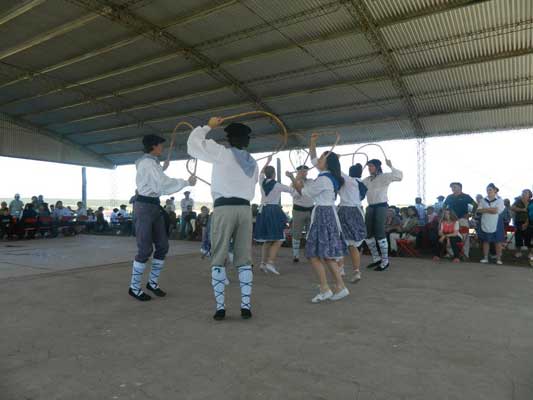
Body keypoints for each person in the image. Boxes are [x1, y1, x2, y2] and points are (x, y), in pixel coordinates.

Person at [187, 117, 258, 321]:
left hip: (224, 208)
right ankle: (245, 307)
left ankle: (220, 308)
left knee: (219, 257)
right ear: (246, 141)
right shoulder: (252, 163)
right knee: (244, 259)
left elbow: (193, 144)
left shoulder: (220, 153)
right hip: (245, 210)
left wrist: (208, 126)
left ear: (228, 139)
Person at [128, 133, 196, 302]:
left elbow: (154, 177)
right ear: (153, 146)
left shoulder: (149, 163)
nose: (162, 147)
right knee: (144, 249)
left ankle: (152, 283)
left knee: (163, 246)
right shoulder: (147, 163)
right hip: (144, 208)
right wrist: (186, 182)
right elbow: (162, 184)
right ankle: (134, 287)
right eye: (160, 145)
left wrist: (161, 167)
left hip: (152, 206)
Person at [287, 133, 348, 303]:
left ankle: (325, 288)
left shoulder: (323, 180)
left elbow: (305, 192)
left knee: (313, 254)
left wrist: (297, 179)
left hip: (323, 215)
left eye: (321, 158)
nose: (316, 162)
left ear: (326, 162)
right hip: (326, 214)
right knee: (327, 255)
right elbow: (313, 159)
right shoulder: (329, 177)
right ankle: (340, 286)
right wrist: (312, 143)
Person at [363, 158, 403, 271]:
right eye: (368, 166)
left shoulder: (385, 176)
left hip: (381, 206)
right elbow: (357, 187)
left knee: (380, 233)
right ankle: (376, 259)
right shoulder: (366, 180)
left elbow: (399, 177)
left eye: (371, 166)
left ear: (377, 167)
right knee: (368, 234)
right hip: (370, 207)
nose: (369, 168)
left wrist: (391, 166)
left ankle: (385, 261)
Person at [253, 158, 291, 275]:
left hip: (263, 211)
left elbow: (261, 173)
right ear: (274, 174)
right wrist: (294, 179)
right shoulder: (278, 185)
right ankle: (270, 262)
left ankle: (263, 263)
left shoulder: (261, 182)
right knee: (280, 238)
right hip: (274, 211)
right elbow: (291, 190)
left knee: (267, 240)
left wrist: (267, 161)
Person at [337, 163, 367, 283]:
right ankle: (356, 271)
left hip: (344, 211)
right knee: (353, 245)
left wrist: (337, 160)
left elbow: (336, 170)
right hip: (358, 212)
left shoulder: (348, 181)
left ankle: (341, 269)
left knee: (340, 241)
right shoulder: (362, 185)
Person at [444, 183, 477, 258]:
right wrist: (445, 215)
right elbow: (444, 206)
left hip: (463, 219)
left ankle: (465, 254)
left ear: (460, 188)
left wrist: (471, 214)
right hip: (451, 219)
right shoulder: (449, 197)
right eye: (452, 187)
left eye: (454, 187)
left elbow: (475, 205)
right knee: (450, 235)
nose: (452, 188)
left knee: (465, 236)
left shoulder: (466, 196)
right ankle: (451, 253)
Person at [290, 165, 314, 263]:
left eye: (305, 171)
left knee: (311, 233)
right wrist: (297, 182)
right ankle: (296, 255)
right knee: (296, 233)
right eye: (301, 171)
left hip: (311, 209)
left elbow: (312, 193)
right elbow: (296, 195)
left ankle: (310, 253)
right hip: (298, 210)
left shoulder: (311, 182)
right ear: (298, 172)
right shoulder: (292, 184)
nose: (304, 173)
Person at [478, 183, 505, 265]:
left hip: (496, 222)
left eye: (490, 189)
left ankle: (498, 258)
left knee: (498, 242)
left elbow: (496, 211)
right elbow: (479, 210)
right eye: (487, 190)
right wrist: (490, 209)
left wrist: (485, 209)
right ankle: (485, 258)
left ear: (495, 190)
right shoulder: (483, 200)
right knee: (486, 241)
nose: (488, 191)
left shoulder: (500, 200)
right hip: (485, 222)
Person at [511, 189, 532, 259]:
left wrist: (527, 222)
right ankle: (518, 252)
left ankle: (530, 253)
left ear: (529, 195)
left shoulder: (531, 202)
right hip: (519, 222)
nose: (524, 194)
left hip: (529, 223)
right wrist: (522, 209)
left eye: (526, 193)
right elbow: (512, 208)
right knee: (518, 237)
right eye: (523, 193)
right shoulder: (518, 201)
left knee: (529, 238)